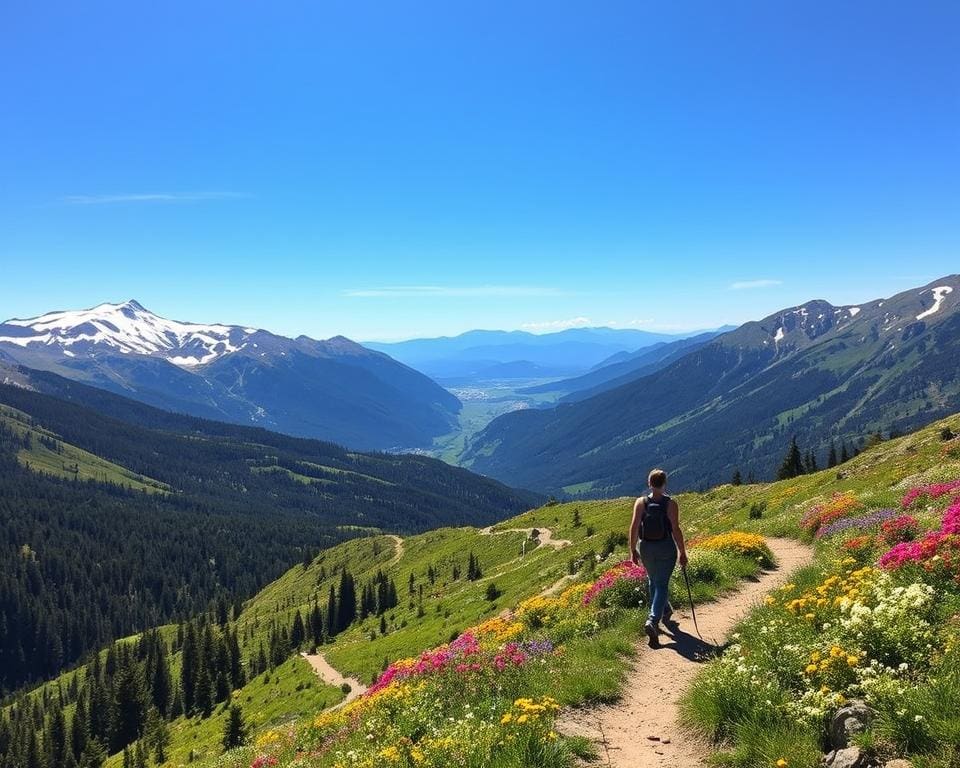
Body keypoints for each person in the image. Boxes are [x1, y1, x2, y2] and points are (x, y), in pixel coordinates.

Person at [629, 468, 687, 648]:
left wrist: (633, 550)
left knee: (653, 581)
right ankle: (653, 620)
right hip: (665, 547)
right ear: (664, 483)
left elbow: (633, 527)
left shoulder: (641, 502)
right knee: (661, 584)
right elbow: (676, 530)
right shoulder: (671, 504)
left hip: (646, 547)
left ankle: (665, 609)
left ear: (649, 483)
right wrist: (682, 552)